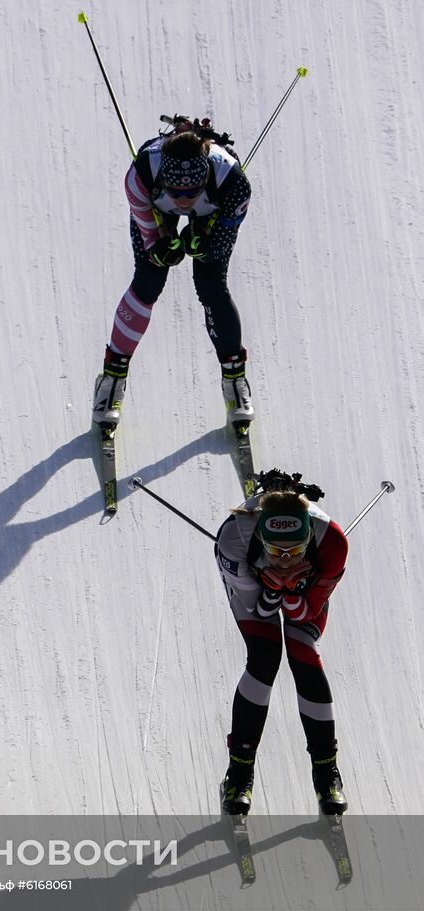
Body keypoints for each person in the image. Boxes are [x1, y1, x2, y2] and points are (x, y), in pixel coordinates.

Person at [92, 117, 253, 429]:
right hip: (157, 210)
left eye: (191, 191)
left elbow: (218, 245)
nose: (182, 200)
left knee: (211, 286)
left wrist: (203, 244)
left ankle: (235, 382)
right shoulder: (140, 175)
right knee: (149, 280)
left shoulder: (234, 184)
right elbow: (151, 240)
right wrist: (160, 246)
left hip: (214, 212)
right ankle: (111, 380)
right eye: (175, 191)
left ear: (204, 177)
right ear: (162, 179)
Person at [215, 482, 349, 815]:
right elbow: (258, 608)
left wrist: (289, 592)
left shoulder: (332, 542)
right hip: (255, 590)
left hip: (298, 595)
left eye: (294, 551)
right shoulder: (234, 540)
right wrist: (277, 591)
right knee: (264, 657)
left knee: (303, 652)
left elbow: (304, 613)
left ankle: (326, 773)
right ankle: (239, 772)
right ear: (260, 538)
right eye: (276, 552)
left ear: (309, 539)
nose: (286, 560)